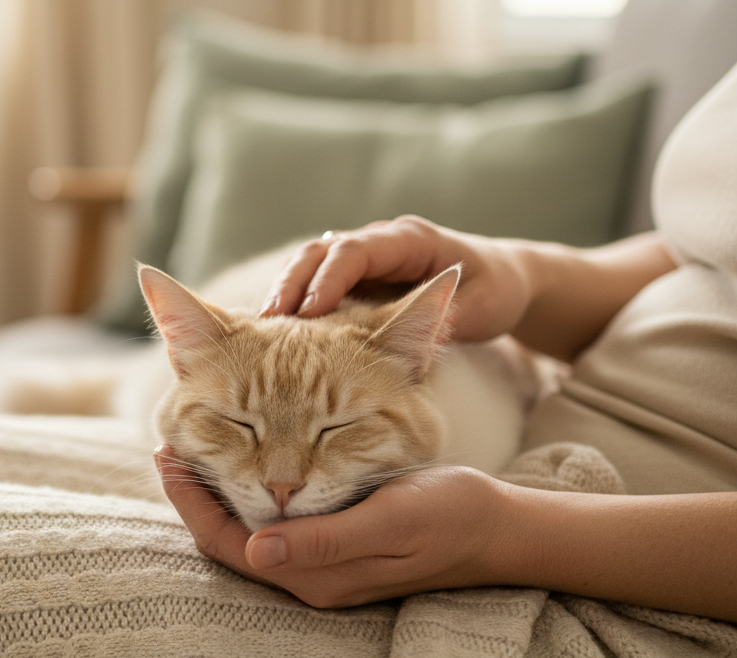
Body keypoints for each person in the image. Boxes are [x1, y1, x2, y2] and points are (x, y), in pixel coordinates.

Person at [155, 62, 737, 623]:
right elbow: (699, 252)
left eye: (336, 431)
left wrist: (511, 537)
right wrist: (523, 274)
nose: (280, 481)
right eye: (242, 429)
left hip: (622, 571)